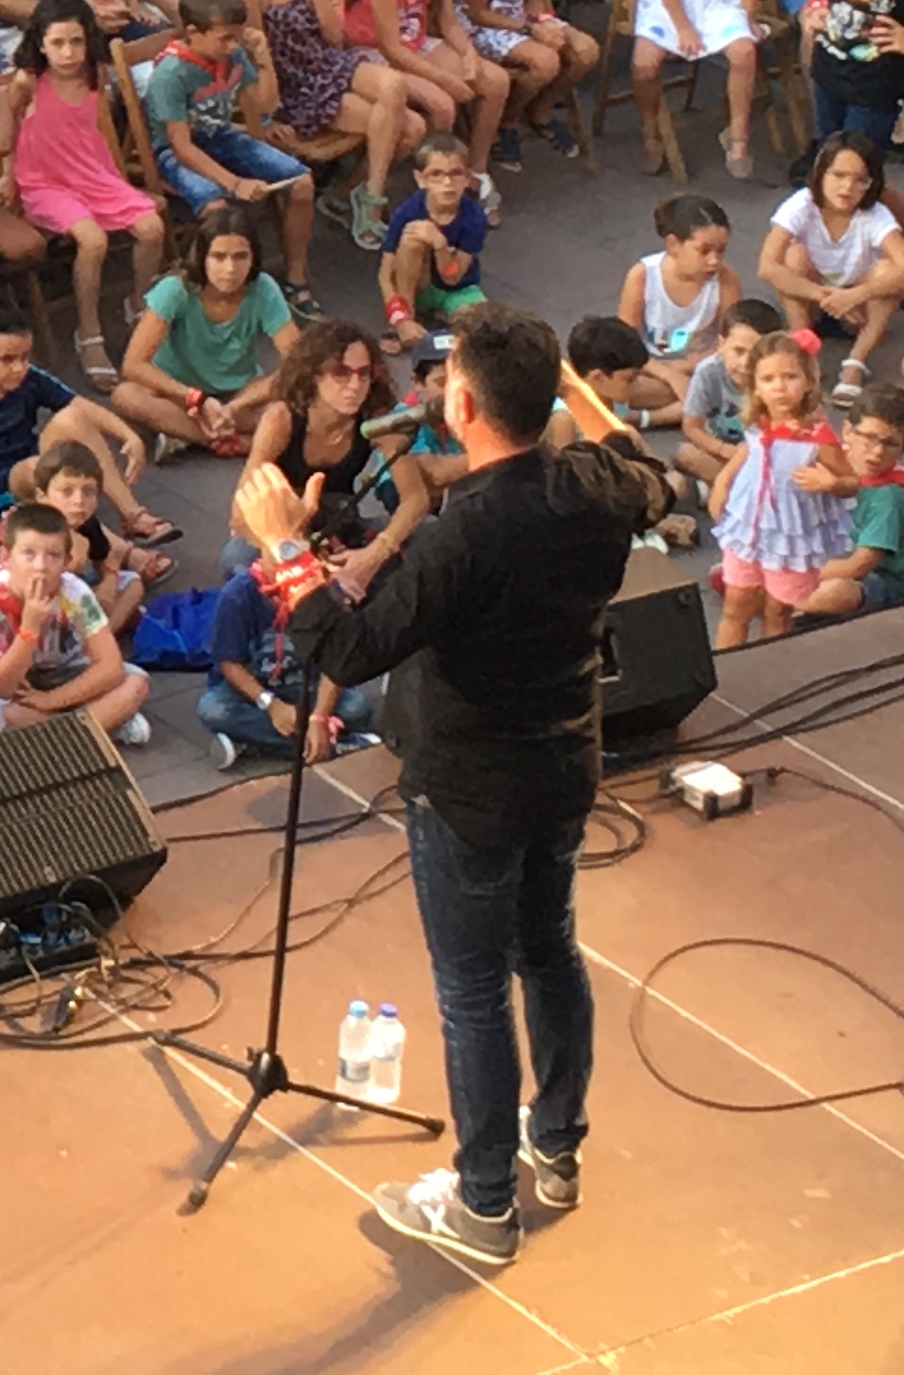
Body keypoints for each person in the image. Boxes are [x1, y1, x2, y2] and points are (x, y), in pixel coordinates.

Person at [227, 308, 667, 1266]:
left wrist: (280, 548)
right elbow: (640, 458)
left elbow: (345, 645)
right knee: (548, 953)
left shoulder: (463, 535)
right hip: (563, 763)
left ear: (461, 402)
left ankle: (483, 1207)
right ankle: (554, 1148)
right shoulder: (598, 488)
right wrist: (560, 383)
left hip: (468, 786)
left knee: (472, 991)